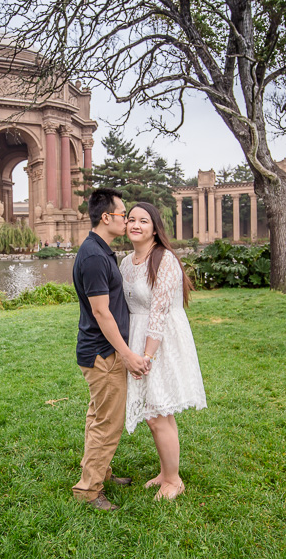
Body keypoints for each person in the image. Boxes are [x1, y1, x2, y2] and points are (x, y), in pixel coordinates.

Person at [71, 188, 151, 511]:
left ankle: (100, 471)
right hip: (102, 353)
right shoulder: (92, 256)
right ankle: (89, 490)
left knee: (98, 416)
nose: (127, 221)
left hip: (101, 351)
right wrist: (128, 354)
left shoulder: (100, 251)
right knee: (108, 422)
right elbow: (102, 312)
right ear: (106, 218)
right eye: (123, 215)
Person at [120, 201, 206, 501]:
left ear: (155, 228)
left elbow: (158, 311)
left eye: (143, 221)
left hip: (160, 341)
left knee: (159, 413)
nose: (135, 225)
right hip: (136, 337)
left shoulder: (165, 259)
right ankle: (164, 471)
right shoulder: (125, 262)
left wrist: (147, 356)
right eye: (131, 219)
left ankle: (174, 480)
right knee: (153, 412)